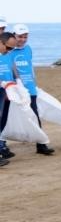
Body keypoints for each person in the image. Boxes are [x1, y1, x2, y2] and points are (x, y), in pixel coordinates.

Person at [8, 25, 55, 155]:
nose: (23, 39)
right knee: (7, 117)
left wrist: (34, 84)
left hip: (30, 89)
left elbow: (30, 68)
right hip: (14, 91)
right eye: (20, 37)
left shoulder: (28, 49)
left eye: (25, 36)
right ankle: (3, 146)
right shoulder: (8, 51)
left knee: (35, 116)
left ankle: (41, 145)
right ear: (13, 36)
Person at [0, 31, 19, 164]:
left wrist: (17, 81)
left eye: (12, 48)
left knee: (3, 121)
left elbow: (12, 69)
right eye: (7, 47)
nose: (9, 51)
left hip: (6, 91)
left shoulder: (7, 55)